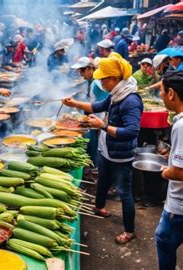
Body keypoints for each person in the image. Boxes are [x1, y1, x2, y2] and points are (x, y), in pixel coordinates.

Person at [62, 55, 143, 244]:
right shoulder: (115, 94)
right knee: (104, 181)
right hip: (106, 150)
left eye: (103, 79)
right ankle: (99, 206)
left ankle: (130, 231)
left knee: (124, 192)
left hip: (121, 155)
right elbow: (96, 106)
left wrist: (103, 126)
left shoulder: (130, 100)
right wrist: (73, 104)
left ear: (114, 78)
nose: (100, 82)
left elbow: (132, 131)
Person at [157, 71, 183, 270]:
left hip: (178, 208)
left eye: (162, 92)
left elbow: (180, 173)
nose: (161, 96)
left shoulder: (181, 125)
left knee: (164, 241)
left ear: (172, 93)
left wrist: (166, 171)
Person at [71, 57, 109, 168]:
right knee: (92, 144)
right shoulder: (91, 81)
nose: (81, 74)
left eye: (82, 70)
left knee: (94, 145)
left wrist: (76, 104)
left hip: (98, 120)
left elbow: (104, 104)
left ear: (90, 69)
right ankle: (93, 165)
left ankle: (94, 167)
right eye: (79, 71)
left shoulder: (96, 84)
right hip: (94, 119)